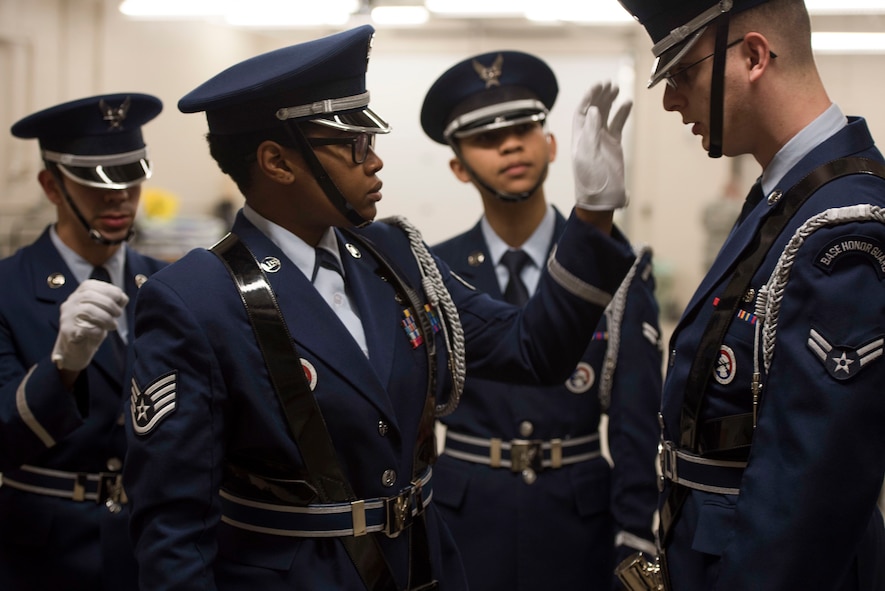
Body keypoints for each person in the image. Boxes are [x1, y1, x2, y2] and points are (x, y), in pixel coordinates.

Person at [123, 24, 637, 590]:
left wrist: (592, 214)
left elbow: (532, 350)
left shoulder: (392, 256)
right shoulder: (197, 297)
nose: (375, 163)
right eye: (354, 145)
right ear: (277, 162)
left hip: (421, 567)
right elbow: (172, 531)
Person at [616, 0, 885, 589]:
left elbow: (809, 491)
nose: (669, 100)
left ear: (754, 56)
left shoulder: (843, 227)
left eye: (683, 73)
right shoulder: (787, 197)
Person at [420, 50, 662, 590]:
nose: (509, 145)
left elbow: (635, 422)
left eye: (525, 129)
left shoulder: (614, 265)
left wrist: (636, 534)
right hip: (464, 519)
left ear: (551, 145)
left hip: (576, 521)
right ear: (458, 167)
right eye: (485, 138)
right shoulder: (432, 273)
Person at [0, 93, 167, 590]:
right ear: (52, 185)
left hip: (152, 545)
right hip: (45, 554)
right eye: (96, 182)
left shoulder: (166, 287)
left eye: (130, 177)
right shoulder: (7, 290)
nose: (119, 197)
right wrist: (63, 369)